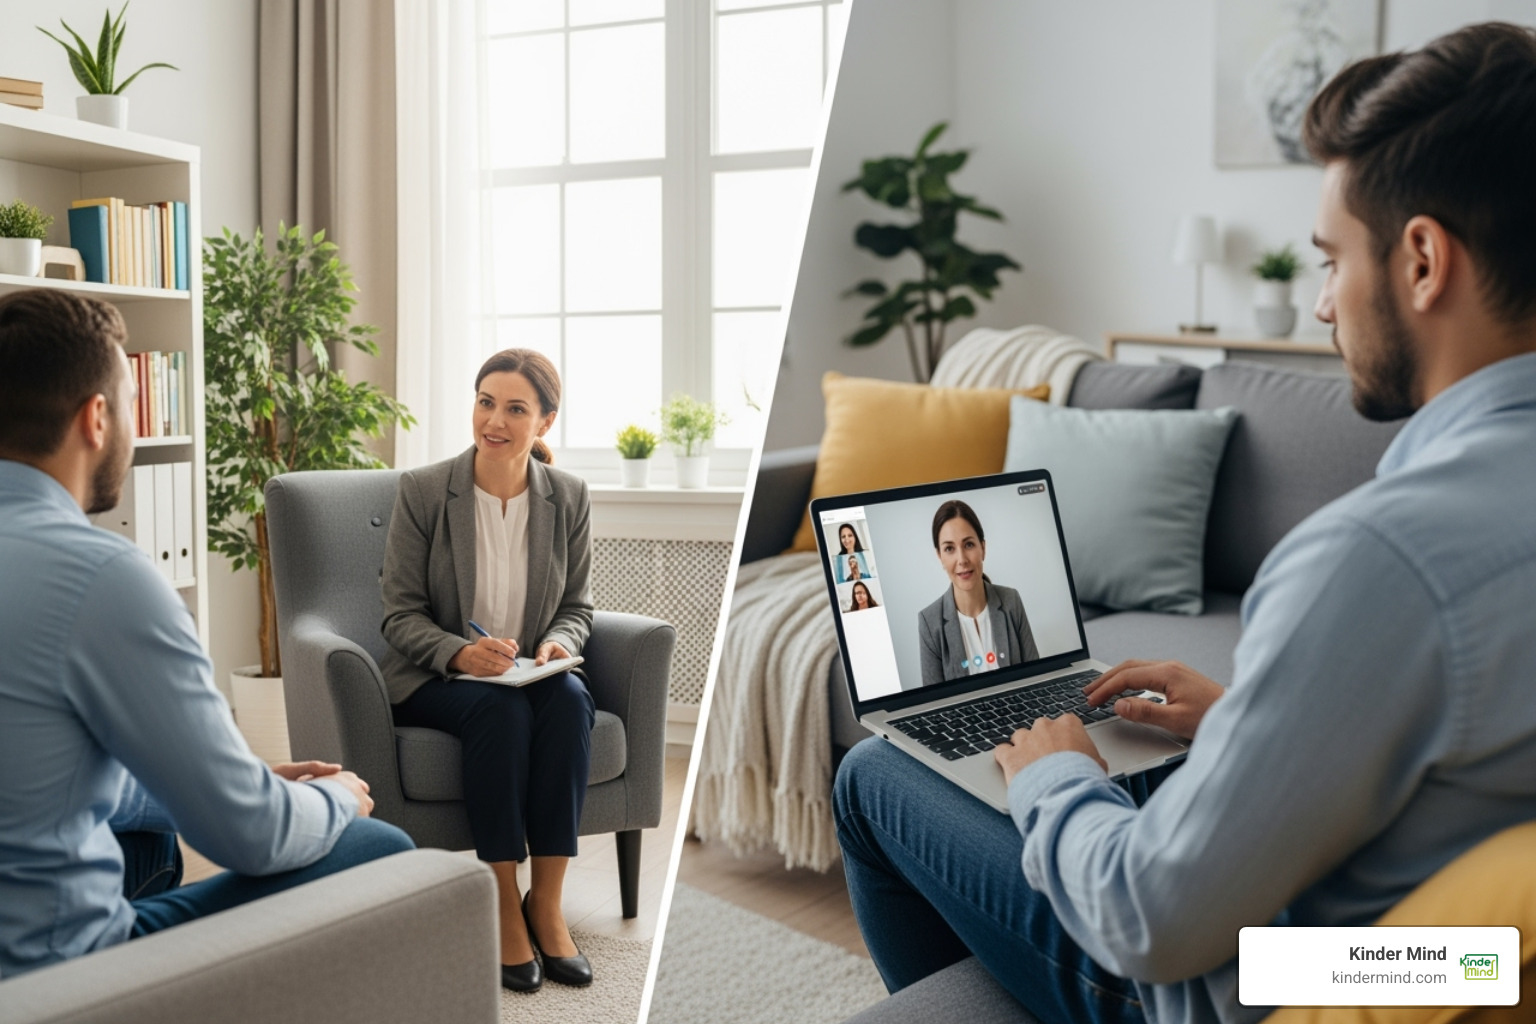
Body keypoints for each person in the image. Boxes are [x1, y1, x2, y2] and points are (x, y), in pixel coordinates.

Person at [834, 23, 1536, 1024]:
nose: (1327, 304)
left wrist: (1063, 780)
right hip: (1451, 968)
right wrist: (1250, 718)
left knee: (874, 774)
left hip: (1262, 985)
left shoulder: (1377, 555)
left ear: (1423, 260)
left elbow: (1150, 918)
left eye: (1332, 260)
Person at [0, 289, 413, 979]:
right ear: (96, 418)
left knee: (152, 822)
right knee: (382, 848)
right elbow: (250, 836)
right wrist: (332, 797)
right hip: (52, 980)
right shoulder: (103, 577)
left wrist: (232, 779)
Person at [380, 348, 596, 993]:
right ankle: (504, 899)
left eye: (514, 409)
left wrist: (558, 642)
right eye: (485, 402)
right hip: (438, 678)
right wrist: (457, 652)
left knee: (571, 701)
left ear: (545, 423)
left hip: (527, 673)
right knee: (499, 712)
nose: (494, 421)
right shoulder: (424, 491)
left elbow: (577, 606)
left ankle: (546, 904)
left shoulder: (569, 496)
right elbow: (398, 615)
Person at [916, 499, 1039, 685]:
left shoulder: (1011, 601)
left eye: (969, 545)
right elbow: (934, 705)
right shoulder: (929, 622)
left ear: (983, 548)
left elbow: (1037, 678)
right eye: (949, 549)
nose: (962, 559)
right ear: (940, 556)